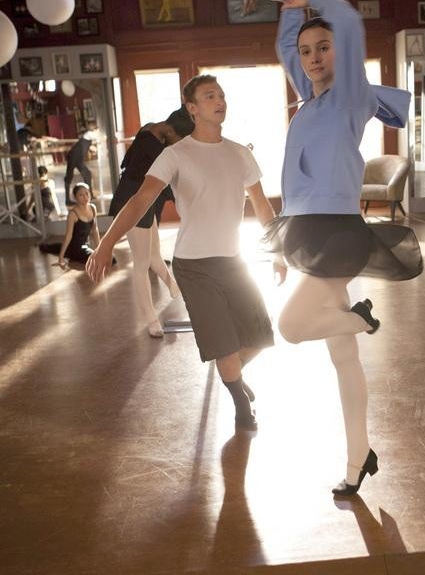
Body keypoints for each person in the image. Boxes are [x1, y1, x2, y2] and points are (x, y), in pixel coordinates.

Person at [266, 0, 422, 496]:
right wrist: (293, 4)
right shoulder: (307, 102)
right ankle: (359, 458)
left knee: (291, 326)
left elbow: (350, 24)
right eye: (307, 51)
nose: (312, 56)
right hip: (307, 234)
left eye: (323, 47)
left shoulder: (351, 95)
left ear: (341, 55)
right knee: (341, 356)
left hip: (339, 234)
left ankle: (362, 321)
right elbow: (287, 41)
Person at [86, 75, 286, 431]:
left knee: (259, 335)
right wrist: (105, 243)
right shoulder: (174, 155)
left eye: (222, 95)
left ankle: (234, 378)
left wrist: (278, 251)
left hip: (233, 260)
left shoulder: (240, 153)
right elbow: (139, 201)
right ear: (192, 108)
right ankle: (241, 403)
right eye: (210, 96)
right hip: (194, 265)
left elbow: (262, 206)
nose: (219, 100)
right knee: (224, 345)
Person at [109, 106, 194, 338]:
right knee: (142, 263)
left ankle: (173, 286)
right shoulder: (154, 144)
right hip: (131, 200)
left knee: (154, 255)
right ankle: (151, 320)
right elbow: (174, 171)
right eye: (179, 137)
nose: (177, 143)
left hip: (143, 199)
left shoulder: (153, 130)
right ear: (171, 129)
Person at [38, 183, 113, 268]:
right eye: (81, 195)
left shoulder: (93, 208)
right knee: (99, 260)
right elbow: (68, 236)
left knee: (112, 259)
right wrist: (61, 258)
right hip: (76, 249)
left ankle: (45, 247)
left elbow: (94, 230)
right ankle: (46, 248)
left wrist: (100, 249)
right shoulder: (73, 214)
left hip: (85, 245)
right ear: (75, 197)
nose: (85, 197)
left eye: (87, 193)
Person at [64, 123, 97, 206]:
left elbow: (88, 145)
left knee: (87, 174)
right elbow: (97, 137)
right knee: (69, 178)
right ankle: (67, 200)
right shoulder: (89, 134)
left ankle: (90, 195)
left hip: (78, 158)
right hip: (74, 157)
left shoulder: (87, 136)